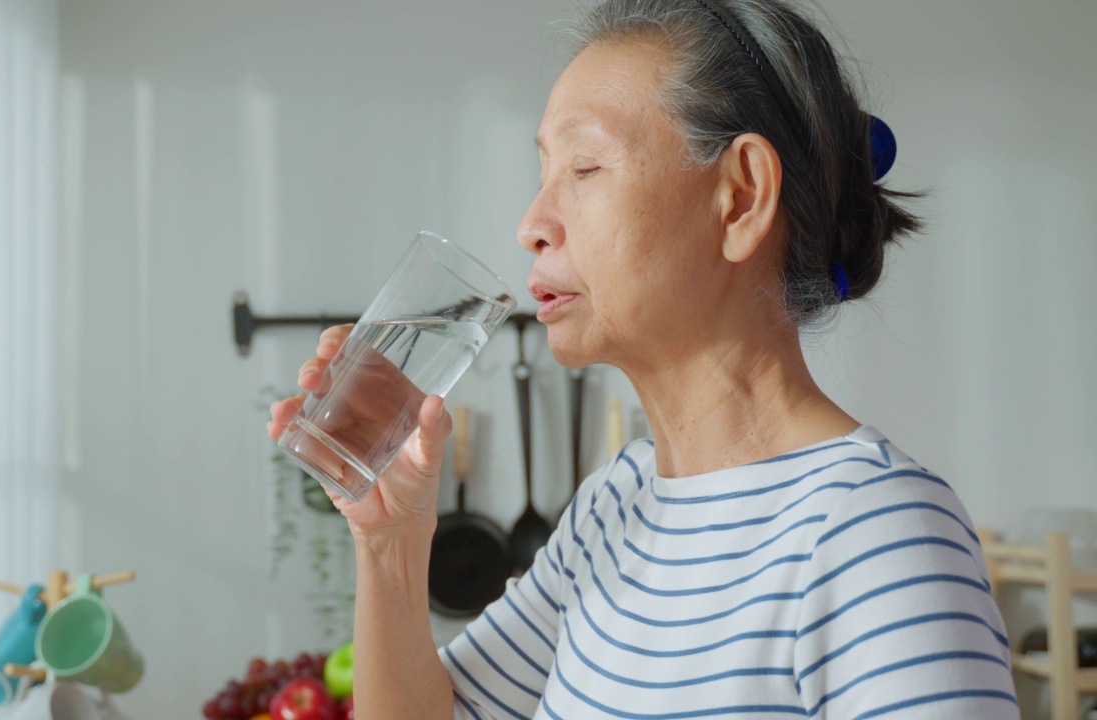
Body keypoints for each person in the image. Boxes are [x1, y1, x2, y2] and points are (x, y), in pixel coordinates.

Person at [268, 0, 1019, 717]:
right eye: (544, 174)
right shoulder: (613, 507)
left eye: (586, 168)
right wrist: (390, 541)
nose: (531, 223)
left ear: (740, 197)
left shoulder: (875, 535)